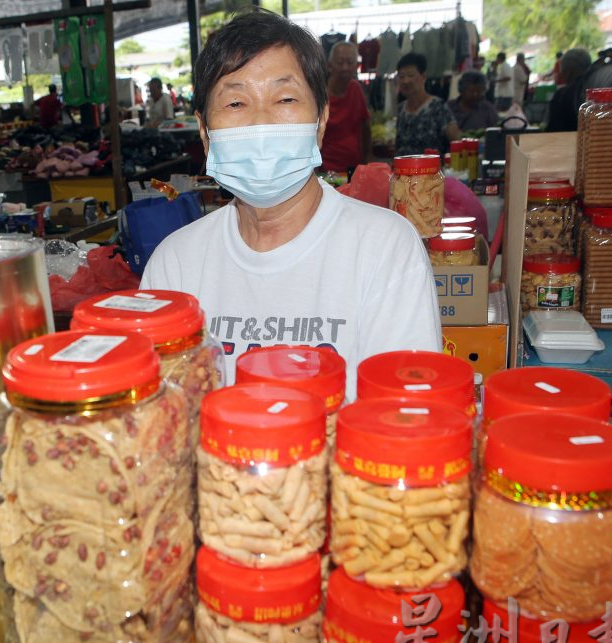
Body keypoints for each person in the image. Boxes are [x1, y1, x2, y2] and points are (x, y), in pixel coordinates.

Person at [140, 9, 441, 396]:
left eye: (284, 98)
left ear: (320, 123)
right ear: (204, 132)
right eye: (235, 104)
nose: (261, 123)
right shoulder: (175, 264)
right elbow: (161, 422)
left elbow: (407, 415)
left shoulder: (384, 248)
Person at [394, 53, 461, 156]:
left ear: (423, 77)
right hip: (404, 170)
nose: (405, 81)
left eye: (410, 75)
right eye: (401, 77)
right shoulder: (401, 109)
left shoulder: (438, 107)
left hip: (432, 171)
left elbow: (457, 143)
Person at [321, 41, 371, 173]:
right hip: (326, 168)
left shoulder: (356, 89)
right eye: (340, 62)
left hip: (354, 166)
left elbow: (365, 126)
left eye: (350, 63)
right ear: (329, 65)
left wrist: (366, 160)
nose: (345, 68)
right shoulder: (320, 96)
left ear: (356, 66)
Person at [546, 48, 591, 132]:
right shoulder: (596, 91)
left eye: (562, 71)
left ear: (568, 72)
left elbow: (553, 130)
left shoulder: (562, 96)